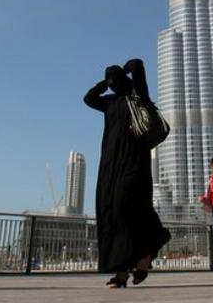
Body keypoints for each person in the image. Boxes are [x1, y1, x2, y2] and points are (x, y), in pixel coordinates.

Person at [84, 58, 171, 288]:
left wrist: (130, 70)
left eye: (115, 81)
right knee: (111, 212)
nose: (113, 85)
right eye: (110, 82)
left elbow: (138, 67)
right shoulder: (110, 102)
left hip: (134, 162)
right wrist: (105, 83)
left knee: (126, 208)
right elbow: (88, 98)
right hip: (110, 166)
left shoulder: (137, 97)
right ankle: (121, 272)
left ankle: (144, 255)